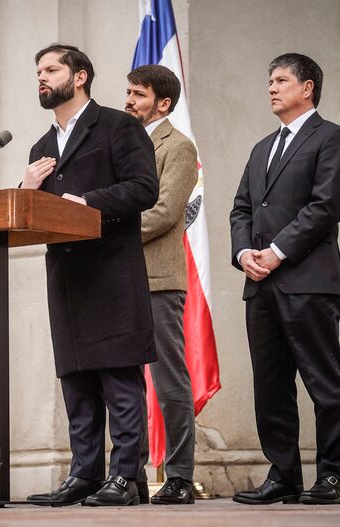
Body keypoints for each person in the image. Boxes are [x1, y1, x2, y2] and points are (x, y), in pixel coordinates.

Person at [22, 43, 159, 507]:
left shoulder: (119, 126)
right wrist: (27, 192)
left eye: (51, 69)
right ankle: (84, 474)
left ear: (79, 76)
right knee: (76, 380)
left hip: (111, 270)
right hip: (66, 274)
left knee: (119, 376)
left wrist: (88, 203)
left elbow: (144, 187)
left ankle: (125, 476)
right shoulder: (41, 147)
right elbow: (35, 216)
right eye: (38, 71)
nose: (41, 77)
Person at [229, 53, 340, 505]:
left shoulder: (334, 139)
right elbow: (242, 208)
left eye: (281, 80)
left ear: (308, 88)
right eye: (269, 80)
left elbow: (324, 207)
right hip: (261, 283)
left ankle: (332, 478)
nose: (271, 87)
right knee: (271, 386)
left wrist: (277, 252)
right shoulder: (262, 147)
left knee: (324, 383)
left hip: (308, 281)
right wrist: (245, 252)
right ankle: (282, 475)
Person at [124, 64, 197, 505]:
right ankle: (127, 477)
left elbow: (167, 211)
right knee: (122, 383)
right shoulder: (120, 146)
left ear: (163, 103)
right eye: (128, 92)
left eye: (139, 94)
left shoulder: (179, 147)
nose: (129, 100)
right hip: (118, 280)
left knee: (169, 382)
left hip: (158, 280)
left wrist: (107, 231)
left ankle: (180, 477)